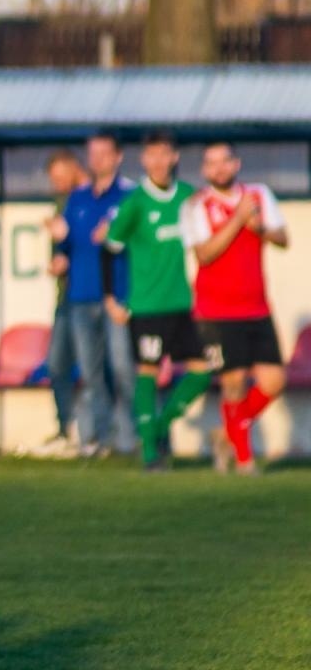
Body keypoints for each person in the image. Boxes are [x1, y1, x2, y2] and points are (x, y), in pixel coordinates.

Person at [101, 132, 212, 471]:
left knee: (202, 372)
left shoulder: (189, 198)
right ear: (143, 161)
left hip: (182, 303)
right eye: (152, 155)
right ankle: (151, 452)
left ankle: (157, 427)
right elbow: (109, 249)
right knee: (146, 372)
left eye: (164, 154)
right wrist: (111, 298)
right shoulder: (135, 203)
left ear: (174, 157)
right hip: (146, 306)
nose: (159, 162)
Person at [181, 142, 290, 474]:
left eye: (225, 161)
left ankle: (227, 434)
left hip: (256, 307)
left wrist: (260, 228)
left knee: (273, 381)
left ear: (236, 163)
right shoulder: (196, 205)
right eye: (211, 163)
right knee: (234, 382)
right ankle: (244, 460)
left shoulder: (258, 195)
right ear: (204, 170)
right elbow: (204, 253)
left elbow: (283, 238)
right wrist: (238, 220)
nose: (219, 169)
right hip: (216, 310)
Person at [55, 131, 135, 457]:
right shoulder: (77, 198)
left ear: (117, 157)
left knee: (123, 369)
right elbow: (67, 246)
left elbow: (140, 243)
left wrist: (115, 236)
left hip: (118, 297)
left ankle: (130, 436)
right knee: (90, 373)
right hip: (80, 296)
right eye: (92, 153)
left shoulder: (131, 196)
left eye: (104, 153)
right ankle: (97, 439)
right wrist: (60, 250)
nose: (97, 159)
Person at [38, 149, 89, 457]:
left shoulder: (94, 199)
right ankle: (64, 431)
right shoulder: (61, 204)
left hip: (94, 297)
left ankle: (103, 434)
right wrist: (58, 262)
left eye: (60, 177)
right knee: (57, 364)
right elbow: (60, 250)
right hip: (66, 298)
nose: (57, 184)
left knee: (102, 371)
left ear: (74, 168)